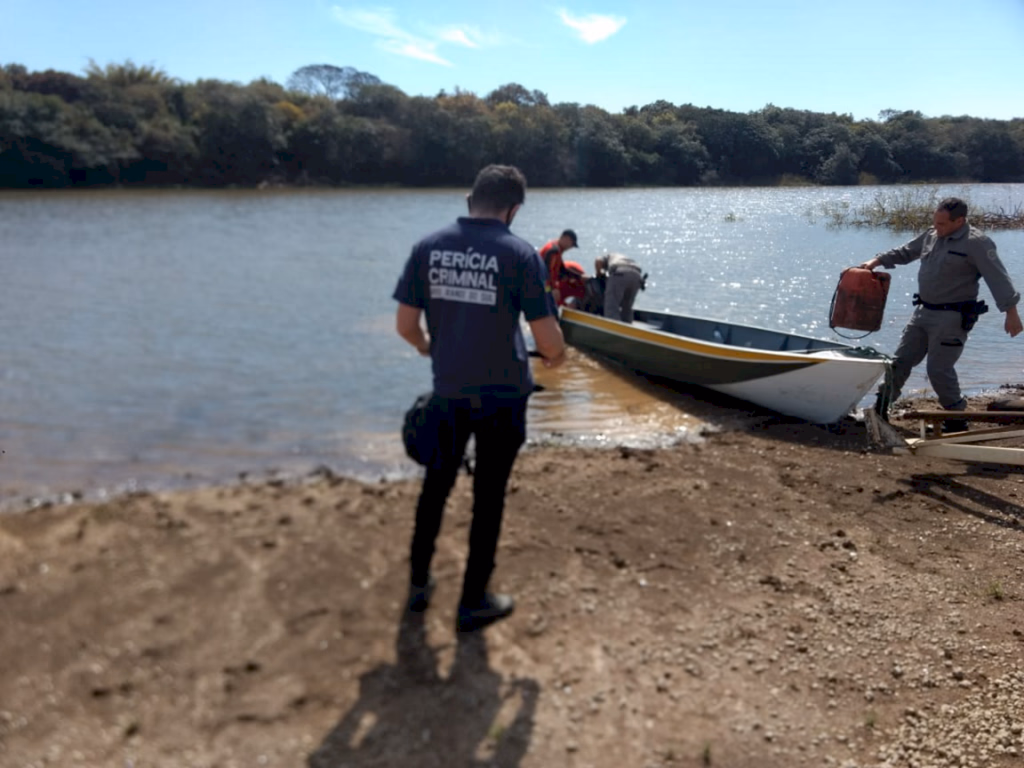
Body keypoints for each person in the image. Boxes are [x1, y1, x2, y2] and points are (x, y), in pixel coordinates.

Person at [393, 164, 566, 632]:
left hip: (448, 393)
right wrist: (556, 358)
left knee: (436, 486)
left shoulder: (427, 247)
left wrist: (429, 347)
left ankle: (417, 583)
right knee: (488, 498)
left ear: (470, 199)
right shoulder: (520, 254)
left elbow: (406, 326)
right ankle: (473, 601)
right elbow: (548, 341)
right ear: (513, 209)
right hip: (504, 398)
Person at [860, 197, 1022, 431]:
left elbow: (998, 279)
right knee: (899, 363)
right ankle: (879, 411)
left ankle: (957, 418)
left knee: (938, 370)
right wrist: (876, 261)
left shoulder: (977, 243)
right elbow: (906, 252)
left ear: (960, 221)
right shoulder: (931, 235)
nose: (937, 228)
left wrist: (1011, 313)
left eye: (943, 224)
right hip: (922, 312)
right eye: (935, 222)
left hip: (952, 317)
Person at [595, 252, 645, 322]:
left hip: (619, 272)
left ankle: (613, 329)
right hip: (637, 275)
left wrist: (599, 274)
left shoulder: (608, 257)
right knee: (627, 307)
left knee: (612, 307)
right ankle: (627, 328)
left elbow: (598, 261)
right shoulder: (622, 258)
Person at [538, 229, 578, 306]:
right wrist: (550, 290)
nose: (570, 247)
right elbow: (544, 273)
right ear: (566, 239)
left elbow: (561, 270)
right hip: (540, 286)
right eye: (572, 244)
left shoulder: (557, 250)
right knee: (556, 295)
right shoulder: (554, 251)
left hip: (543, 285)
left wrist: (578, 277)